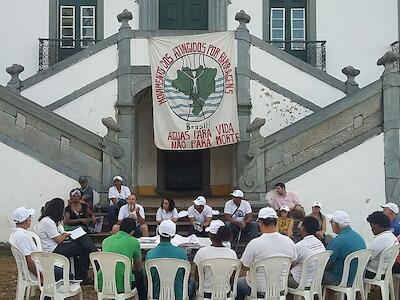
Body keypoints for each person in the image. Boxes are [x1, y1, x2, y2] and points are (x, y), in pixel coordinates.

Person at [236, 207, 297, 300]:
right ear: (276, 222)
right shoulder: (289, 242)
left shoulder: (254, 243)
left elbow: (244, 266)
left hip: (258, 289)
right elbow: (293, 262)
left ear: (260, 222)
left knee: (239, 283)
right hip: (279, 289)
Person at [36, 198, 97, 284]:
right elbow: (59, 240)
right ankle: (84, 272)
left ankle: (84, 269)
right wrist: (65, 235)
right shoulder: (47, 222)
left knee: (82, 241)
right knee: (84, 248)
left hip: (55, 246)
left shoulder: (50, 220)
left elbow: (58, 235)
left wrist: (66, 234)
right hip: (53, 250)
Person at [100, 218, 146, 300]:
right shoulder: (134, 242)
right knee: (141, 275)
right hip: (123, 284)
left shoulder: (106, 241)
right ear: (132, 232)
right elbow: (138, 267)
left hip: (103, 282)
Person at [193, 220, 237, 298]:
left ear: (210, 235)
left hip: (206, 295)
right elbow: (232, 277)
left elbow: (197, 277)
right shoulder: (232, 254)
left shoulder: (202, 252)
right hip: (225, 294)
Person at [145, 220, 188, 300]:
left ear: (158, 232)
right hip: (178, 296)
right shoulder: (182, 253)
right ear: (173, 235)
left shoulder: (150, 254)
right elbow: (185, 276)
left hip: (155, 296)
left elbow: (147, 278)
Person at [323, 211, 366, 290]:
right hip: (357, 279)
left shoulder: (337, 241)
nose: (331, 224)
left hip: (341, 279)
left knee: (315, 275)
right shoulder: (359, 237)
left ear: (337, 225)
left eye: (331, 222)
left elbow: (325, 264)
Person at [288, 216, 325, 289]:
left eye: (301, 225)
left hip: (299, 282)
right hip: (315, 282)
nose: (299, 227)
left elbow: (290, 264)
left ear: (304, 228)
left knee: (279, 278)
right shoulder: (320, 244)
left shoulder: (300, 246)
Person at [365, 211, 398, 279]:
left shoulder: (381, 239)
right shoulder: (391, 236)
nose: (371, 229)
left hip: (373, 273)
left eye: (372, 226)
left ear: (378, 225)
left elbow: (366, 258)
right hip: (384, 271)